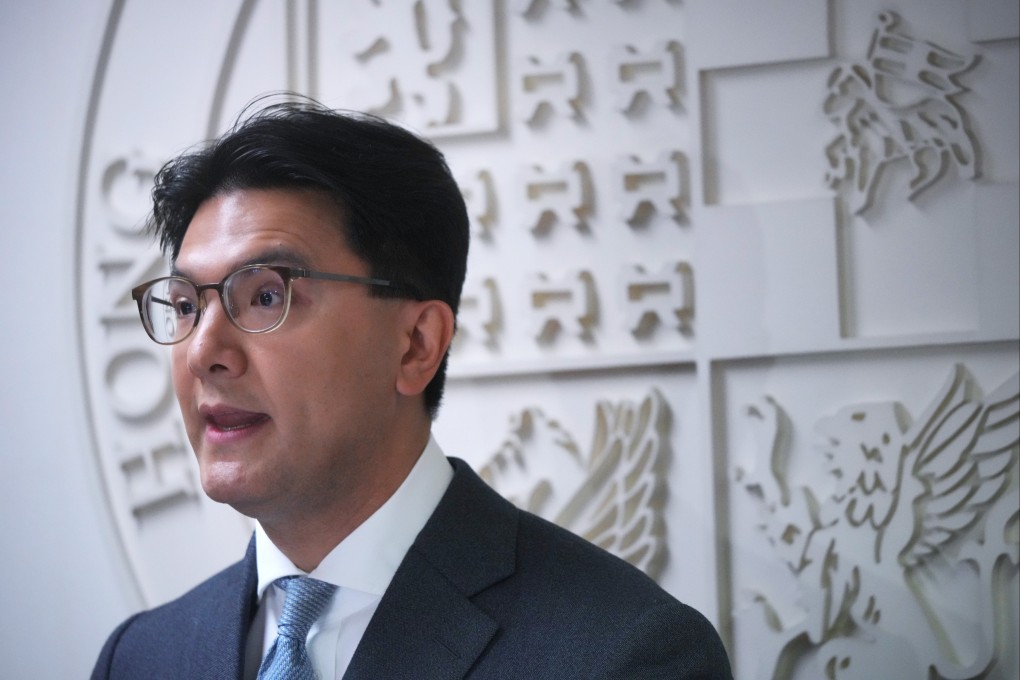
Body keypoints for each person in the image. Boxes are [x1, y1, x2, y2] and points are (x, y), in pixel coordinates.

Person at [91, 96, 732, 679]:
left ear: (416, 344)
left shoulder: (625, 654)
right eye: (185, 305)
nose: (204, 350)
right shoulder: (143, 656)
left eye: (265, 295)